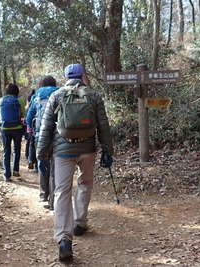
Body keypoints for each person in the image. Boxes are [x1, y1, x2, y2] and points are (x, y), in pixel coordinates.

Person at [36, 64, 113, 262]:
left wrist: (41, 154)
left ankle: (63, 239)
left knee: (62, 191)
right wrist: (107, 150)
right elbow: (103, 125)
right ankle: (79, 222)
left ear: (66, 77)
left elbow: (45, 128)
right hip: (87, 150)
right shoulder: (93, 96)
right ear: (82, 76)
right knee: (85, 184)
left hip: (62, 152)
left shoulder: (57, 95)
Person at [26, 76, 59, 207]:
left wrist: (32, 129)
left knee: (42, 163)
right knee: (55, 165)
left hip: (40, 135)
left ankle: (43, 194)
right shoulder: (60, 93)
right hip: (58, 135)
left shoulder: (36, 96)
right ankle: (53, 198)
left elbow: (29, 118)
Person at [0, 83, 26, 182]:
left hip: (4, 129)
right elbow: (23, 114)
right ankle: (16, 171)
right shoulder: (20, 100)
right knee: (16, 149)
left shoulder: (1, 100)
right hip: (17, 128)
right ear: (16, 91)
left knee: (6, 151)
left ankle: (7, 174)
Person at [25, 89, 37, 170]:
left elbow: (28, 116)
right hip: (37, 126)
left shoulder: (29, 105)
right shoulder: (37, 100)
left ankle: (30, 160)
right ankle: (36, 165)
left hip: (30, 128)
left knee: (31, 144)